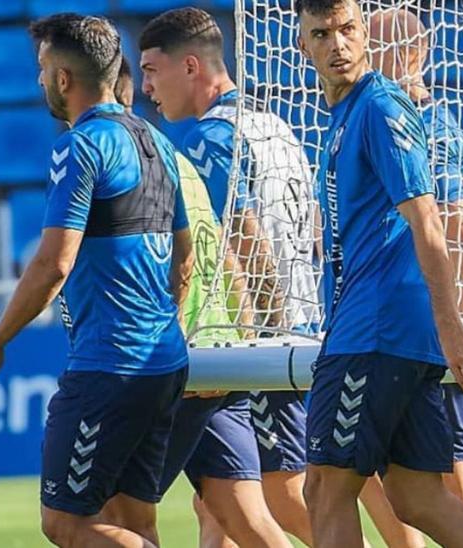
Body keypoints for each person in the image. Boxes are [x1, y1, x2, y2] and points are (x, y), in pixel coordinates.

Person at [0, 13, 191, 546]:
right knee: (134, 521)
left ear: (63, 79)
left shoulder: (79, 146)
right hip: (163, 362)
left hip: (109, 366)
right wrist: (165, 328)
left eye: (43, 69)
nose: (39, 81)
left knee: (65, 522)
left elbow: (53, 263)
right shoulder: (159, 143)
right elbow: (185, 255)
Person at [292, 1, 463, 546]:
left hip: (377, 329)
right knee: (416, 495)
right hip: (379, 327)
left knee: (325, 489)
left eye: (347, 30)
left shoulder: (382, 108)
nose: (337, 44)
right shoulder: (344, 115)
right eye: (322, 34)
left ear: (364, 34)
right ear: (303, 45)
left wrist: (451, 324)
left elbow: (430, 221)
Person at [138, 8, 317, 546]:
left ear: (190, 67)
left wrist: (255, 340)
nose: (146, 88)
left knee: (284, 494)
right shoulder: (274, 125)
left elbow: (240, 241)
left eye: (151, 70)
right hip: (297, 324)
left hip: (260, 340)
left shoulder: (211, 141)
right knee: (218, 502)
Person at [355, 9, 463, 546]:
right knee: (374, 478)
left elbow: (461, 230)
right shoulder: (376, 116)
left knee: (455, 477)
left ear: (415, 54)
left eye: (375, 44)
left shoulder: (434, 127)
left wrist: (455, 323)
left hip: (430, 332)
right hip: (394, 326)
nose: (365, 55)